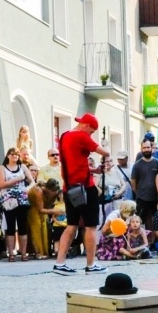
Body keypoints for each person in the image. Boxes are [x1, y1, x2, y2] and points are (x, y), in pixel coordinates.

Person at [53, 114, 105, 275]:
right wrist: (104, 146)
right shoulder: (82, 136)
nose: (91, 134)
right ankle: (91, 265)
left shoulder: (64, 136)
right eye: (92, 131)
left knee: (71, 225)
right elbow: (105, 152)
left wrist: (93, 170)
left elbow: (73, 163)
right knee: (91, 226)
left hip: (69, 188)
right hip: (85, 188)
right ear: (88, 126)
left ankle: (60, 263)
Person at [0, 148, 34, 262]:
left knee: (23, 226)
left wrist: (27, 188)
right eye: (12, 154)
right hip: (9, 200)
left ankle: (23, 253)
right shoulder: (3, 168)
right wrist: (18, 179)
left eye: (17, 154)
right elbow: (2, 184)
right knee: (10, 227)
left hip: (22, 199)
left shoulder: (22, 167)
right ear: (8, 155)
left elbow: (32, 181)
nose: (15, 156)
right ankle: (11, 252)